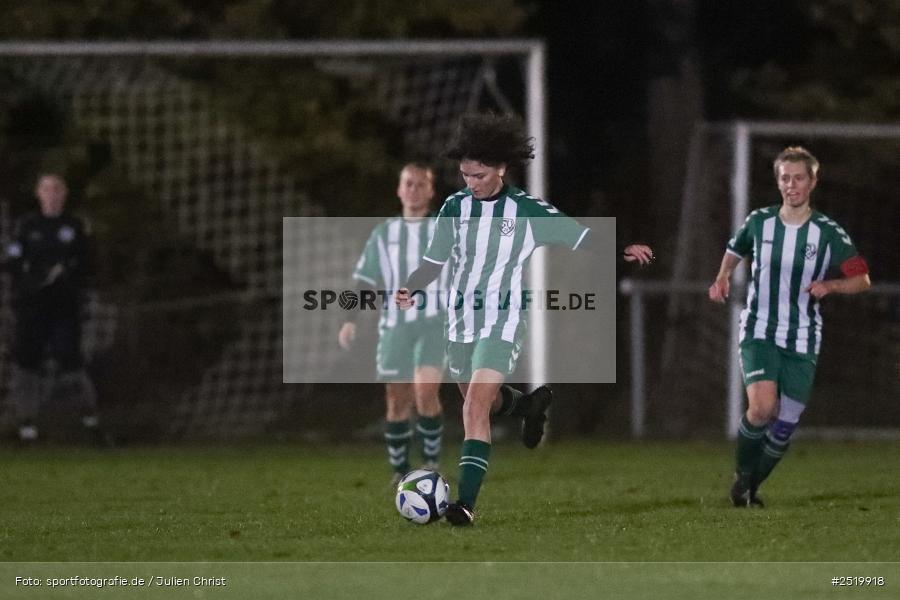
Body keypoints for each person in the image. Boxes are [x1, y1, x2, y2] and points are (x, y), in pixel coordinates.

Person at [395, 113, 653, 525]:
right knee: (483, 402)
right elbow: (434, 260)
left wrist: (622, 248)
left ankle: (465, 504)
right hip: (460, 320)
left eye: (478, 175)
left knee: (474, 407)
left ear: (500, 169)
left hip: (503, 319)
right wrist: (412, 285)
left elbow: (580, 235)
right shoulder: (453, 207)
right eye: (464, 174)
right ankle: (529, 405)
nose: (470, 183)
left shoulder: (527, 211)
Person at [708, 146, 871, 507]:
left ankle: (749, 486)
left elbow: (862, 280)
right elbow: (736, 247)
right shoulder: (759, 221)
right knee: (763, 408)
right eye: (785, 178)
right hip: (759, 329)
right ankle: (742, 478)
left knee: (785, 423)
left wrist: (831, 285)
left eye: (799, 178)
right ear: (777, 181)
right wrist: (722, 276)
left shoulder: (828, 232)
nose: (791, 185)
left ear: (812, 182)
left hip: (803, 336)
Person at [338, 163, 447, 485]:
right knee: (397, 398)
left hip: (434, 321)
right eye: (408, 184)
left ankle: (430, 465)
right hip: (395, 324)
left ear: (431, 191)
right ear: (399, 190)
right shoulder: (384, 234)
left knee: (425, 390)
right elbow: (365, 280)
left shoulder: (444, 230)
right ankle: (400, 472)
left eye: (420, 185)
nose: (413, 190)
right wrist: (350, 319)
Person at [4, 174, 105, 445]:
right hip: (32, 308)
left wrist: (68, 273)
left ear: (64, 194)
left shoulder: (75, 226)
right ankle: (27, 428)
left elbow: (88, 263)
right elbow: (12, 263)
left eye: (57, 189)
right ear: (38, 193)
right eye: (47, 189)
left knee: (69, 361)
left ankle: (91, 423)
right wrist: (32, 281)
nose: (52, 194)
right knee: (26, 364)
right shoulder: (26, 226)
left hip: (64, 308)